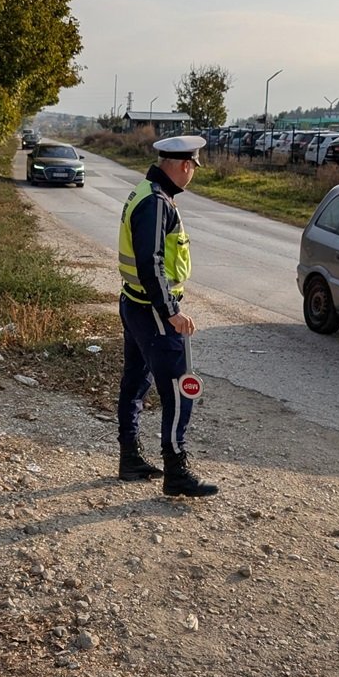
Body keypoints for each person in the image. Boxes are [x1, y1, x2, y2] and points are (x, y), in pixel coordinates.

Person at [116, 134, 218, 497]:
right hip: (152, 310)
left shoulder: (146, 191)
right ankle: (176, 470)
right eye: (192, 167)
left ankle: (130, 458)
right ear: (184, 165)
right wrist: (171, 312)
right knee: (179, 389)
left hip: (133, 304)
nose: (192, 173)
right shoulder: (157, 203)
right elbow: (151, 263)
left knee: (136, 381)